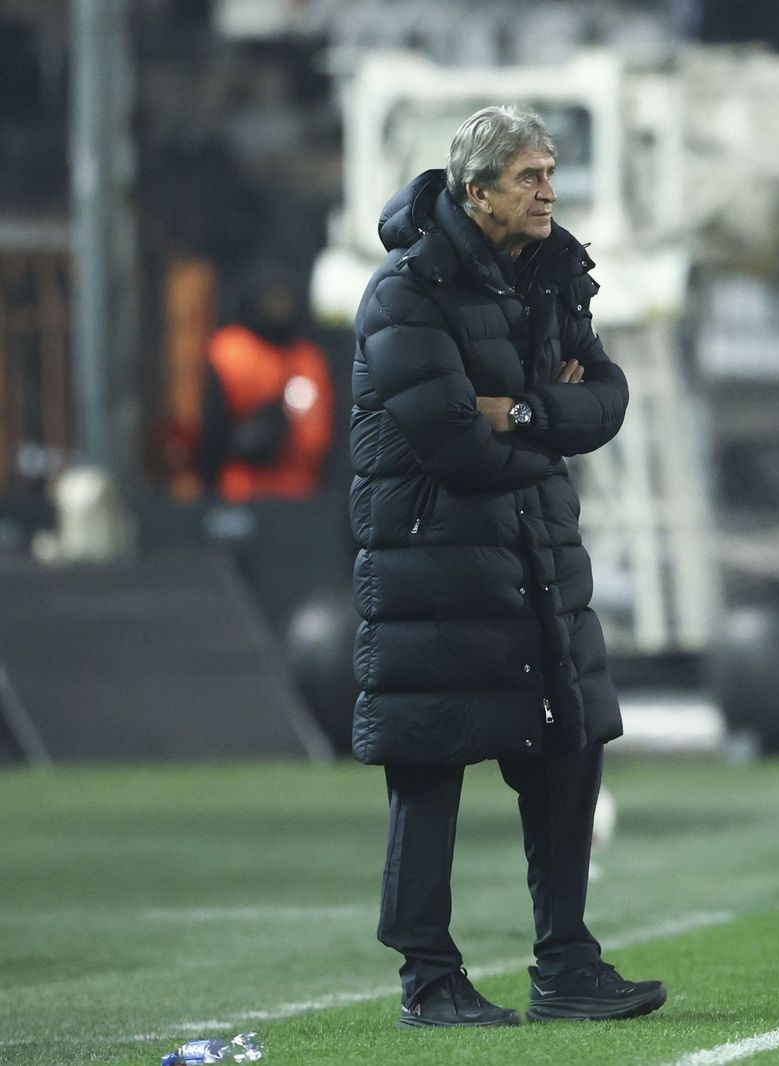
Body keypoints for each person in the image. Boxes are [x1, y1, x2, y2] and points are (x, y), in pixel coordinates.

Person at [349, 105, 663, 1029]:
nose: (549, 191)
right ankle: (428, 980)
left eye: (550, 172)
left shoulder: (553, 276)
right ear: (474, 190)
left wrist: (521, 415)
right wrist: (545, 427)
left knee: (570, 750)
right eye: (529, 176)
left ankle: (567, 964)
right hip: (430, 574)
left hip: (535, 558)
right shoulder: (403, 295)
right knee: (429, 767)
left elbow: (605, 399)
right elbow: (456, 449)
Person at [198, 269, 334, 502]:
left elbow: (323, 438)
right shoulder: (230, 352)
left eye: (284, 299)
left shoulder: (307, 361)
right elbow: (208, 437)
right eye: (272, 299)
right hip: (238, 494)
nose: (278, 306)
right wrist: (240, 440)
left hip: (300, 497)